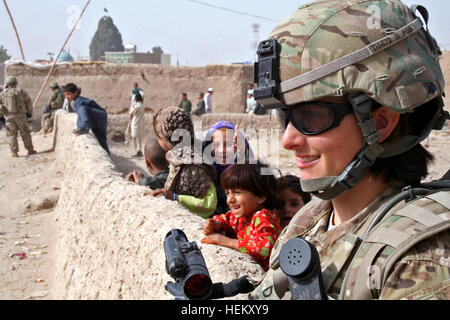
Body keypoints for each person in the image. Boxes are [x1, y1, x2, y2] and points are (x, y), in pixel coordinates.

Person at [249, 0, 450, 300]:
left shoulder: (420, 260)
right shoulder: (311, 220)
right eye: (285, 117)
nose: (288, 140)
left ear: (380, 122)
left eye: (310, 117)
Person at [201, 163, 282, 271]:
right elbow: (224, 219)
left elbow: (264, 248)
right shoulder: (240, 217)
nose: (230, 199)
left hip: (265, 277)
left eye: (237, 192)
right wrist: (214, 224)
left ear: (260, 196)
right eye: (227, 193)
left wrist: (228, 242)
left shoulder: (263, 217)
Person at [150, 106, 218, 218]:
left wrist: (176, 198)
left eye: (159, 135)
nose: (159, 140)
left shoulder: (193, 162)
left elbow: (209, 203)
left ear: (168, 135)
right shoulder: (177, 158)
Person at [202, 120, 256, 215]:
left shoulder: (240, 167)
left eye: (228, 144)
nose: (222, 150)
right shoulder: (205, 170)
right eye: (216, 145)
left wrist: (241, 153)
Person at [62, 83, 110, 154]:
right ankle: (106, 153)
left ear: (75, 93)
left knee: (101, 136)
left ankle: (84, 128)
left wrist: (82, 127)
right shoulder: (75, 101)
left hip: (99, 116)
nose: (66, 97)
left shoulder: (79, 101)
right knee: (99, 136)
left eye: (68, 94)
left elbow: (82, 112)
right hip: (96, 117)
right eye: (65, 95)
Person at [0, 76, 37, 157]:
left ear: (7, 84)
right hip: (21, 116)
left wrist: (2, 115)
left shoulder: (2, 94)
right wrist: (29, 112)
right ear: (15, 83)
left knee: (12, 135)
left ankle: (14, 152)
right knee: (25, 133)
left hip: (9, 117)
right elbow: (28, 102)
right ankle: (30, 150)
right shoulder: (21, 92)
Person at [129, 93, 145, 157]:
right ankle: (140, 150)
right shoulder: (142, 105)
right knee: (139, 138)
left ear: (136, 99)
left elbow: (131, 113)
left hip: (135, 123)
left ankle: (137, 151)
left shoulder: (137, 106)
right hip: (140, 123)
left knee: (134, 138)